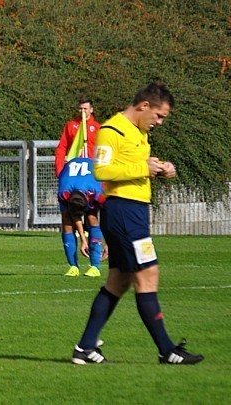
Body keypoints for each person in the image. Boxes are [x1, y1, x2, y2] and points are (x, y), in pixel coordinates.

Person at [71, 82, 203, 365]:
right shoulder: (112, 130)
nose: (159, 122)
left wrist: (160, 169)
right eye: (159, 115)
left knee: (118, 282)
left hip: (134, 212)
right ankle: (167, 351)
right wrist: (143, 167)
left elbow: (131, 168)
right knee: (148, 274)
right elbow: (101, 170)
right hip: (124, 213)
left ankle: (84, 348)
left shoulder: (138, 131)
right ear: (144, 106)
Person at [58, 157, 106, 278]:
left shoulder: (99, 193)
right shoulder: (64, 193)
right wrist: (83, 240)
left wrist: (109, 242)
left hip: (92, 175)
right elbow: (75, 215)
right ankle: (73, 267)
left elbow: (109, 215)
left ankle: (95, 267)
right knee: (67, 222)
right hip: (70, 177)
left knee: (92, 217)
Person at [54, 97, 100, 178]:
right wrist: (59, 169)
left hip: (92, 168)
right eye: (80, 109)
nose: (82, 111)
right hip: (75, 168)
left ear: (91, 110)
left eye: (85, 109)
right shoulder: (71, 125)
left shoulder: (97, 127)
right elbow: (62, 147)